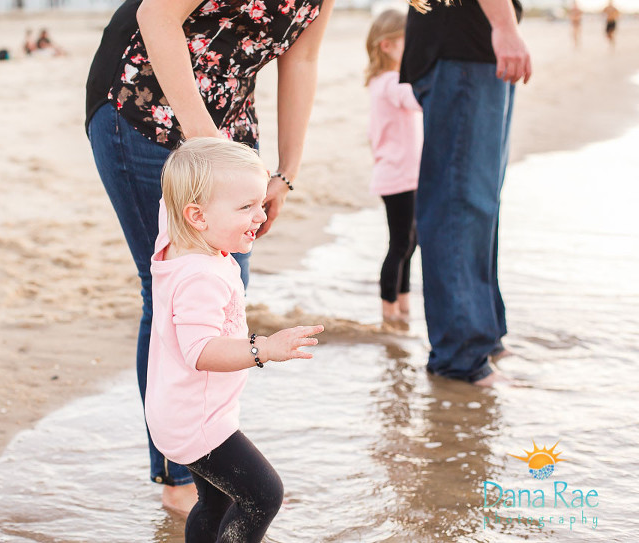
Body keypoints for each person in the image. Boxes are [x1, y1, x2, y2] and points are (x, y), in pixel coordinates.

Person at [85, 0, 339, 514]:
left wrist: (284, 174)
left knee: (225, 296)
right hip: (145, 109)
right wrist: (206, 149)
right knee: (174, 292)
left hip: (228, 130)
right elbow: (155, 15)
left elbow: (302, 61)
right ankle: (180, 478)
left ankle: (211, 464)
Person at [145, 137, 323, 542]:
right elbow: (201, 351)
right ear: (197, 216)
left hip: (178, 409)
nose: (260, 216)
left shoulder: (173, 241)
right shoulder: (202, 276)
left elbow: (169, 201)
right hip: (198, 419)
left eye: (259, 203)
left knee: (217, 502)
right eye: (245, 207)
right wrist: (264, 349)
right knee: (264, 495)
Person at [400, 0, 532, 386]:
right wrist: (504, 25)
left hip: (470, 46)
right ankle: (460, 357)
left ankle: (483, 340)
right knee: (461, 202)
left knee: (479, 203)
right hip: (462, 42)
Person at [365, 9, 422, 330]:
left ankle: (403, 305)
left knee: (409, 242)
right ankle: (389, 310)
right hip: (397, 176)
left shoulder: (380, 81)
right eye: (409, 41)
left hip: (403, 174)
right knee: (400, 243)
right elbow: (416, 99)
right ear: (387, 46)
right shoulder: (389, 82)